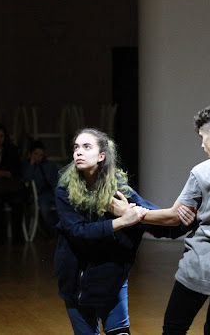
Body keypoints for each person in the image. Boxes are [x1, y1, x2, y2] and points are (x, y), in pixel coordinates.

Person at [112, 104, 210, 334]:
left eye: (201, 137)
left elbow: (171, 218)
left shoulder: (205, 171)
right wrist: (198, 212)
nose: (202, 144)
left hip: (203, 265)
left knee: (173, 330)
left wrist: (130, 213)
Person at [54, 128, 195, 335]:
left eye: (86, 147)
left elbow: (150, 218)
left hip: (112, 278)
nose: (78, 152)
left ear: (101, 156)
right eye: (76, 147)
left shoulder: (118, 188)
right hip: (76, 283)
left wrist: (183, 221)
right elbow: (78, 231)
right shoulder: (65, 190)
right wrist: (122, 221)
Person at [21, 140, 59, 237]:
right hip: (39, 195)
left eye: (41, 155)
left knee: (64, 205)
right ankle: (52, 231)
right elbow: (27, 179)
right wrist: (32, 163)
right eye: (35, 154)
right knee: (44, 208)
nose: (38, 157)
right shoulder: (27, 165)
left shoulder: (49, 165)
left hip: (52, 192)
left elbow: (57, 178)